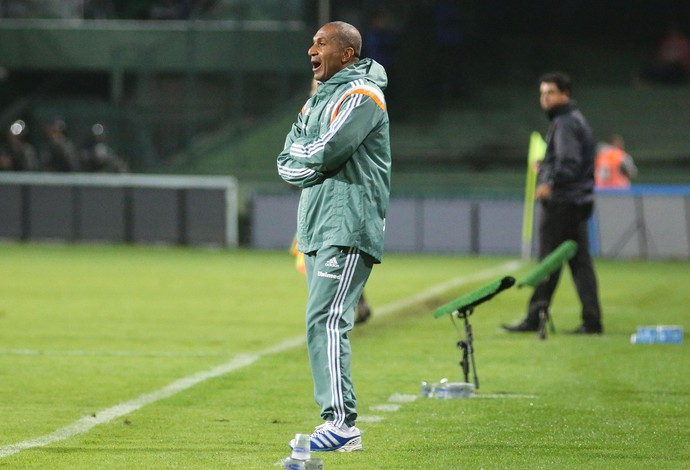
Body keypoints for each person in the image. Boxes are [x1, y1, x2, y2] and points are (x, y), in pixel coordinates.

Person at [277, 21, 391, 452]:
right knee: (321, 320)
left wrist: (308, 159)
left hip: (347, 224)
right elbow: (286, 160)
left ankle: (341, 424)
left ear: (347, 54)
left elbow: (327, 151)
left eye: (321, 43)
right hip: (319, 225)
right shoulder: (317, 101)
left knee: (325, 320)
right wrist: (309, 160)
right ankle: (337, 421)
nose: (311, 49)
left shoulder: (362, 96)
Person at [503, 72, 603, 335]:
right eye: (542, 93)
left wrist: (549, 182)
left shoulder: (565, 122)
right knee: (581, 263)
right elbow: (569, 161)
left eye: (550, 93)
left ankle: (535, 317)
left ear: (565, 95)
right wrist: (546, 165)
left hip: (562, 203)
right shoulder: (571, 120)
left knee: (548, 261)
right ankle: (592, 321)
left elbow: (569, 164)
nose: (544, 98)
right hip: (577, 202)